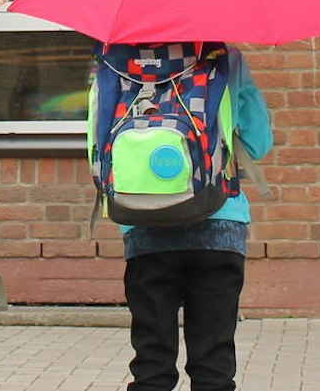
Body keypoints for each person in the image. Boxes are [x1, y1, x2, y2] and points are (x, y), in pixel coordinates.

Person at [112, 42, 272, 391]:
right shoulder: (225, 57)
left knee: (151, 365)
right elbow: (258, 143)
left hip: (145, 223)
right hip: (219, 222)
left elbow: (98, 149)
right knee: (213, 365)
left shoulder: (116, 60)